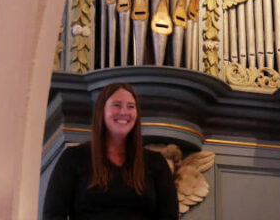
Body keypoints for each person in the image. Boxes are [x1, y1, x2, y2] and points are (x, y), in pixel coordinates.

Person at [43, 82, 178, 219]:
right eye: (117, 105)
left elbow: (169, 217)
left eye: (131, 106)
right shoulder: (73, 158)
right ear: (101, 111)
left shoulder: (156, 163)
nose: (124, 112)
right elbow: (53, 214)